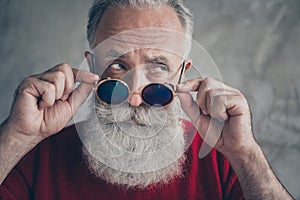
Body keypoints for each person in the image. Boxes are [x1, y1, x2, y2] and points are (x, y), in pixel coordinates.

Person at [0, 0, 294, 199]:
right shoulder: (35, 155)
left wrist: (245, 155)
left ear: (182, 74)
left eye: (159, 67)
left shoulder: (226, 159)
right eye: (117, 64)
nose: (136, 95)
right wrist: (16, 136)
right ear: (91, 68)